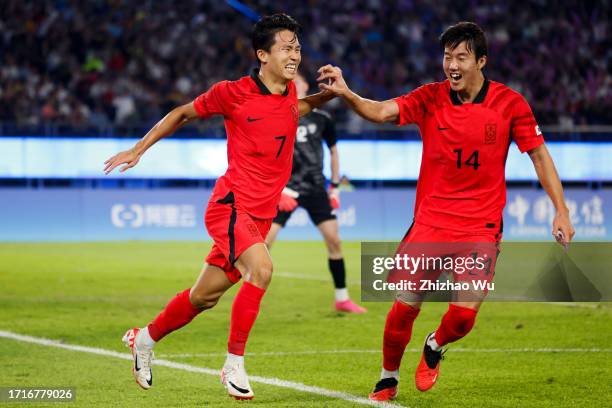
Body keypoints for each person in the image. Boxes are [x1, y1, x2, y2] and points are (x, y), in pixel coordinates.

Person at [317, 21, 575, 401]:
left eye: (461, 57)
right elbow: (383, 112)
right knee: (404, 308)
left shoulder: (510, 104)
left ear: (481, 61)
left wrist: (561, 210)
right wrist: (347, 93)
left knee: (463, 317)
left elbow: (539, 155)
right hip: (431, 220)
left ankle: (435, 345)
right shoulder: (430, 97)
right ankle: (388, 376)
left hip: (481, 225)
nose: (451, 65)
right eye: (447, 57)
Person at [104, 14, 334, 400]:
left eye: (297, 47)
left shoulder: (291, 96)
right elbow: (182, 113)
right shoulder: (233, 92)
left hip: (258, 216)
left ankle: (143, 339)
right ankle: (233, 365)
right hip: (230, 205)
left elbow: (297, 110)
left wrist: (330, 94)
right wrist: (138, 149)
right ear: (263, 54)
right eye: (285, 48)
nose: (294, 54)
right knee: (261, 269)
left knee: (202, 297)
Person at [264, 72, 366, 313]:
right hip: (287, 190)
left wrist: (335, 188)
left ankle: (342, 298)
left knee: (334, 241)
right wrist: (278, 191)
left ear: (305, 86)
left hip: (316, 188)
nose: (292, 85)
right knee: (263, 244)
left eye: (296, 82)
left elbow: (333, 153)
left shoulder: (322, 118)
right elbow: (267, 158)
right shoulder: (276, 117)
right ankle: (249, 292)